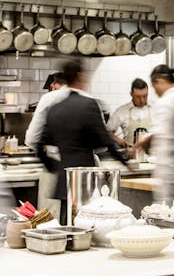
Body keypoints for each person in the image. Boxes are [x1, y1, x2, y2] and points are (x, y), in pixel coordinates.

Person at [35, 60, 135, 220]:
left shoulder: (56, 108)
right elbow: (106, 142)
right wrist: (125, 162)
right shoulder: (88, 105)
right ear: (80, 77)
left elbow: (39, 146)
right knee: (86, 223)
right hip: (85, 178)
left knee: (66, 223)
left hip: (64, 179)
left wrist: (56, 167)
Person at [134, 65, 174, 202]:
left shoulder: (165, 102)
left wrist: (143, 142)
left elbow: (160, 136)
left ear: (160, 81)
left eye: (154, 86)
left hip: (169, 170)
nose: (155, 91)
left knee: (167, 213)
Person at [25, 71, 68, 149]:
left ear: (53, 85)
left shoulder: (48, 98)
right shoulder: (87, 98)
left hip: (57, 155)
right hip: (86, 157)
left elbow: (32, 138)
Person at [107, 78, 152, 148]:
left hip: (152, 156)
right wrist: (118, 140)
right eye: (138, 97)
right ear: (131, 94)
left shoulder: (154, 109)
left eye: (145, 96)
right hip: (131, 154)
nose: (142, 100)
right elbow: (107, 131)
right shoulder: (122, 111)